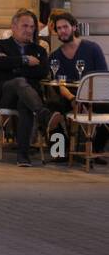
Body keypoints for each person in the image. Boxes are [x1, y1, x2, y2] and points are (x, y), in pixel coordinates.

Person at [0, 9, 52, 167]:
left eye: (32, 27)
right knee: (18, 82)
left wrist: (12, 64)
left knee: (25, 104)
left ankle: (23, 156)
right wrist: (24, 60)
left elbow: (42, 72)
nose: (29, 30)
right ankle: (43, 113)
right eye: (25, 26)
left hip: (29, 97)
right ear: (13, 26)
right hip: (5, 95)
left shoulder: (39, 50)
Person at [46, 9, 109, 157]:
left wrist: (86, 102)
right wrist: (74, 100)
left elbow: (102, 78)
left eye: (65, 27)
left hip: (93, 96)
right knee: (51, 109)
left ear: (74, 27)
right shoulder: (55, 56)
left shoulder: (92, 48)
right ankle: (60, 152)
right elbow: (59, 84)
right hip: (69, 98)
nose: (62, 31)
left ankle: (96, 149)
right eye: (59, 28)